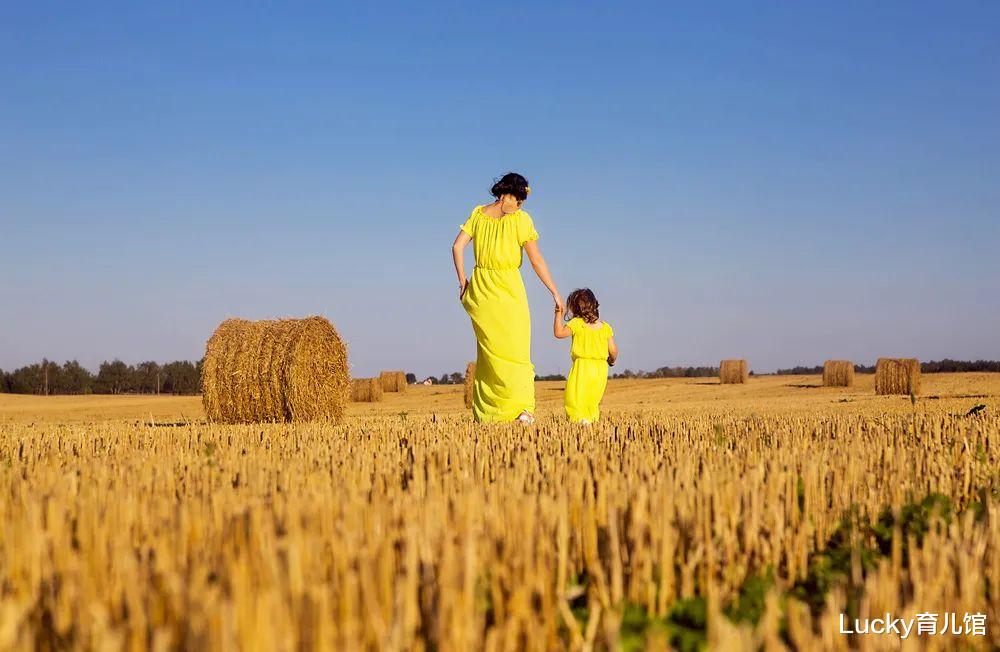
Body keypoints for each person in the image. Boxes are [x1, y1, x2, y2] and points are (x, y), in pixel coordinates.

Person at [452, 173, 563, 423]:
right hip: (508, 287)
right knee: (517, 350)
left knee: (489, 353)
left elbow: (457, 247)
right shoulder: (521, 219)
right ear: (519, 195)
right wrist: (554, 291)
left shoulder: (478, 213)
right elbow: (536, 260)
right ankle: (523, 409)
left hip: (480, 289)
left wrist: (463, 282)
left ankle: (489, 413)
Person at [554, 288, 618, 423]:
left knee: (575, 397)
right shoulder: (605, 327)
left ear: (575, 307)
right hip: (601, 368)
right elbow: (613, 351)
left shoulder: (577, 323)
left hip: (582, 366)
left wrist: (558, 313)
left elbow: (559, 333)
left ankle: (579, 420)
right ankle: (591, 420)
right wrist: (611, 361)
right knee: (592, 399)